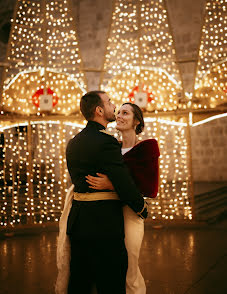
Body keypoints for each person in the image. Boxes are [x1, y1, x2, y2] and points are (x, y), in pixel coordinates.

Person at [56, 91, 148, 294]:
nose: (113, 107)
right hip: (103, 224)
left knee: (80, 281)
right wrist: (141, 207)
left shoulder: (74, 142)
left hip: (78, 219)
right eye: (109, 103)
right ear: (99, 110)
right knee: (111, 281)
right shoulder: (106, 142)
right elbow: (122, 180)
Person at [86, 102, 160, 294]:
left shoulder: (146, 149)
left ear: (136, 121)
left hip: (130, 213)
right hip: (108, 214)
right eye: (118, 112)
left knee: (130, 264)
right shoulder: (112, 149)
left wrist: (113, 185)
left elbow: (147, 187)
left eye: (125, 113)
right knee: (111, 266)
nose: (119, 116)